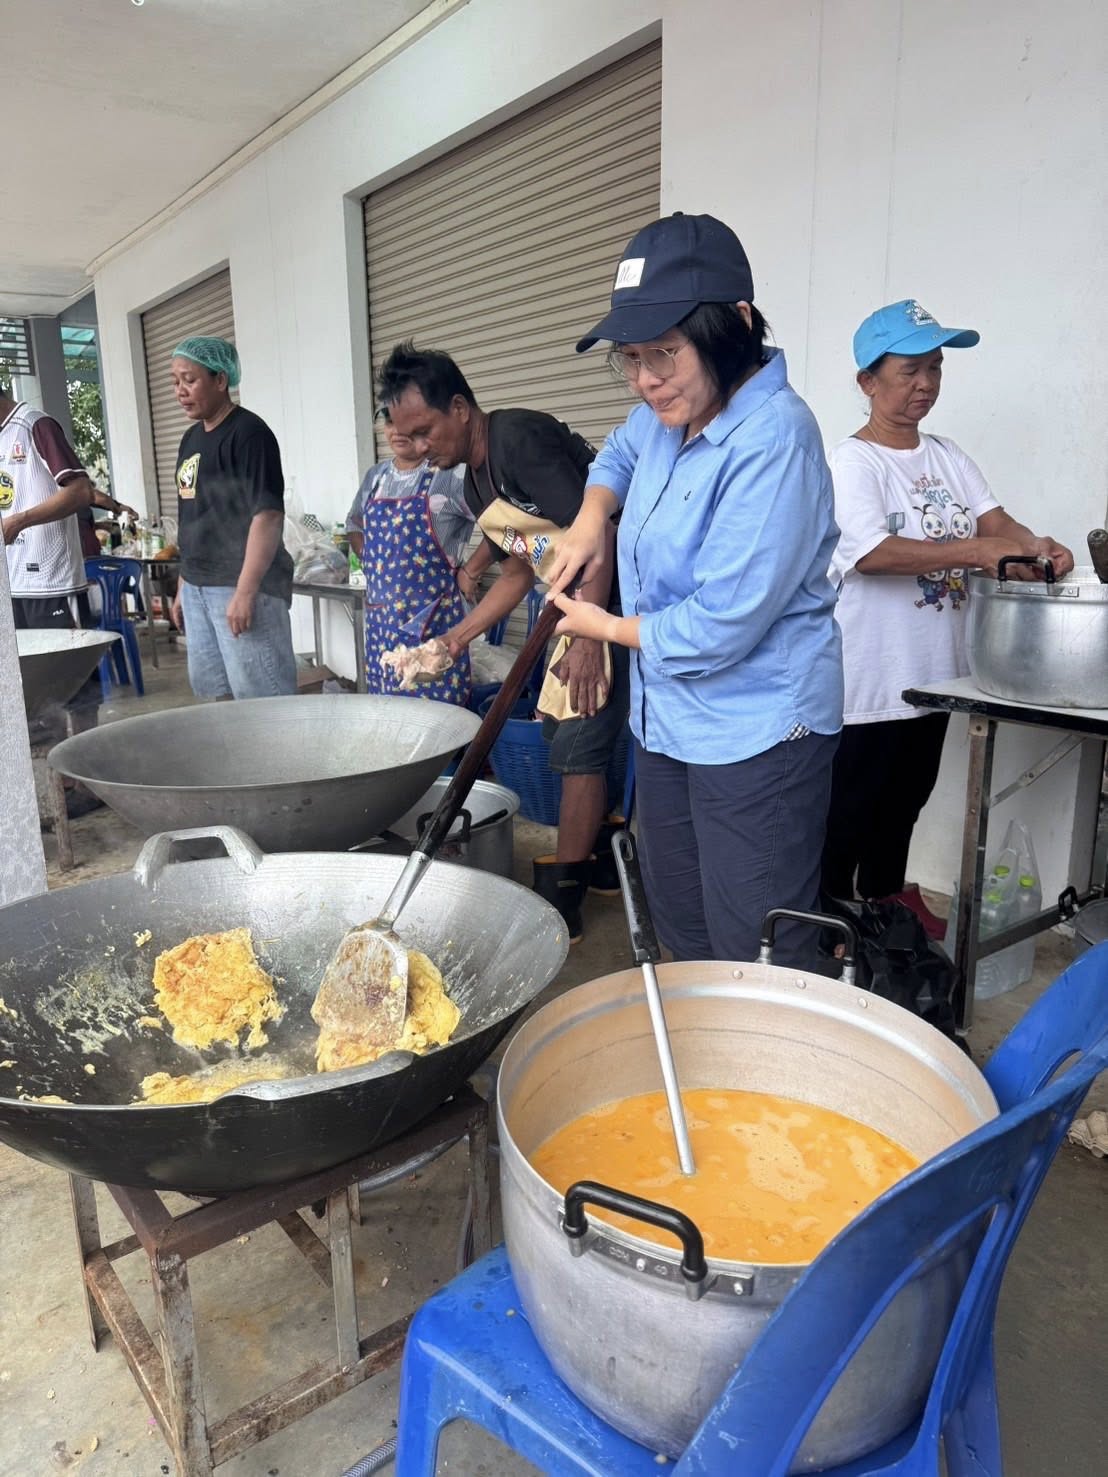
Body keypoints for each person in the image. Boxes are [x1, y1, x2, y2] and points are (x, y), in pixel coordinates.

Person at [546, 212, 843, 968]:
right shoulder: (662, 415)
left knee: (757, 944)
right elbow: (616, 450)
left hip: (756, 732)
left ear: (735, 326)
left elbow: (721, 625)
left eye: (667, 353)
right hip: (669, 721)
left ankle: (766, 1078)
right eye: (632, 357)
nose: (646, 379)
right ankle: (702, 1076)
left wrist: (600, 625)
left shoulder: (775, 438)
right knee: (680, 923)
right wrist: (589, 517)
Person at [818, 299, 1073, 936]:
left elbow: (995, 523)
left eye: (934, 369)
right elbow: (871, 554)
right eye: (909, 372)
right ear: (867, 383)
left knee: (906, 799)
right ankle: (823, 917)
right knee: (848, 807)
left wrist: (1035, 546)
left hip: (935, 674)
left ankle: (881, 902)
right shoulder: (854, 463)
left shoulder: (947, 455)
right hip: (868, 680)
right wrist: (978, 553)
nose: (926, 384)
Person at [379, 341, 630, 941]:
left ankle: (566, 900)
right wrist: (455, 641)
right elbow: (522, 568)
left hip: (616, 597)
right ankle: (602, 858)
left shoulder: (517, 440)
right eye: (405, 436)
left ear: (461, 408)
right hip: (575, 604)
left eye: (424, 430)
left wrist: (593, 635)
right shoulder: (474, 486)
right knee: (556, 728)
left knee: (578, 742)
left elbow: (599, 535)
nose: (418, 448)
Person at [168, 337, 297, 701]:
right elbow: (192, 517)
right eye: (175, 381)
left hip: (241, 586)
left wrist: (244, 592)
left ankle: (279, 761)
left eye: (189, 380)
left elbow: (268, 516)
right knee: (214, 697)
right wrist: (183, 587)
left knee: (262, 700)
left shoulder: (249, 434)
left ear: (220, 380)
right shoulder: (190, 439)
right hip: (198, 587)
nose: (180, 391)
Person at [345, 406, 487, 705]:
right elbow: (354, 523)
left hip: (434, 625)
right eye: (389, 420)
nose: (397, 430)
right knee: (386, 720)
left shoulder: (449, 476)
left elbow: (503, 527)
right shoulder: (376, 478)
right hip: (381, 625)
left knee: (437, 724)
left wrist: (472, 571)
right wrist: (371, 557)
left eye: (406, 421)